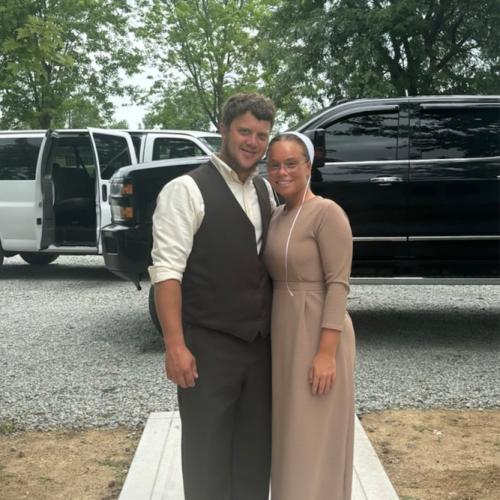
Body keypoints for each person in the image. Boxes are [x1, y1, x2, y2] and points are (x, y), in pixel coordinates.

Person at [148, 92, 276, 500]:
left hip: (259, 348)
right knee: (206, 458)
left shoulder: (265, 191)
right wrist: (175, 346)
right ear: (223, 130)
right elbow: (167, 273)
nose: (253, 142)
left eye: (261, 135)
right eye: (244, 131)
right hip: (207, 349)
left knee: (254, 457)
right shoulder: (185, 190)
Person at [263, 132, 356, 500]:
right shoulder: (277, 215)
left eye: (291, 163)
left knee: (315, 433)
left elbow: (338, 285)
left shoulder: (327, 213)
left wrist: (326, 353)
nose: (282, 172)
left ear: (308, 166)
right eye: (274, 165)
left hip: (318, 333)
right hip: (285, 332)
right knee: (290, 432)